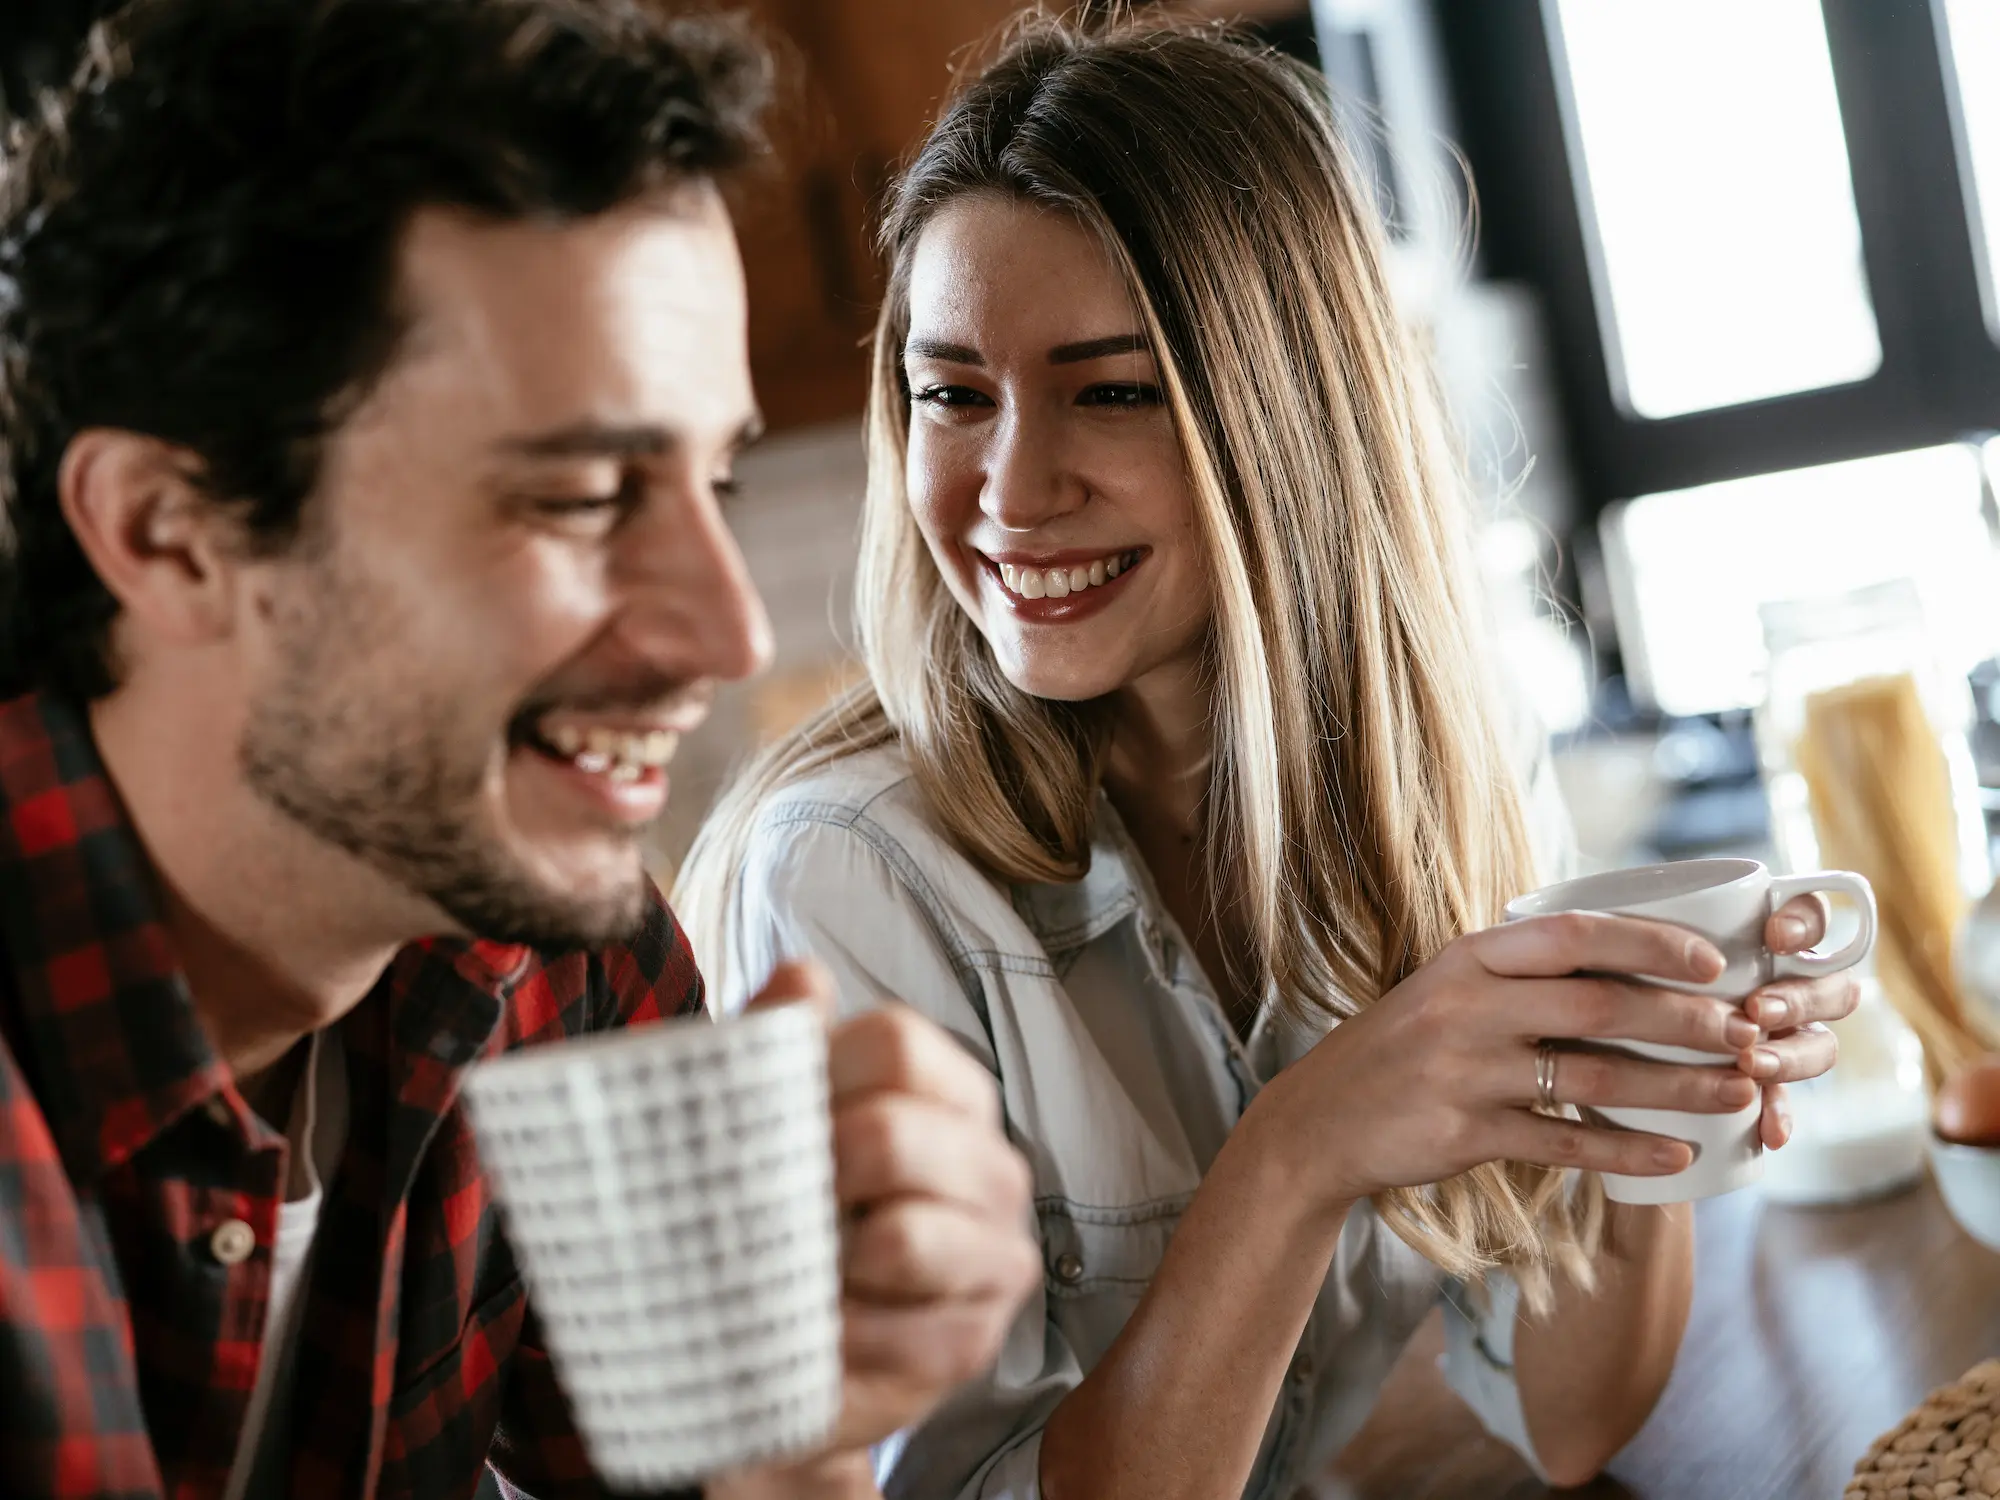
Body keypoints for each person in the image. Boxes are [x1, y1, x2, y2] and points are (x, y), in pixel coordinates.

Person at [677, 16, 1860, 1499]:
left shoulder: (1452, 758)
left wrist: (1647, 1098)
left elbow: (1567, 1417)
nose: (1009, 488)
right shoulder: (853, 872)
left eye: (1110, 390)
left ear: (1283, 419)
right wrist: (1301, 1151)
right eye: (952, 393)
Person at [0, 1, 1041, 1497]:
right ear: (173, 532)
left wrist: (801, 1439)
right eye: (579, 499)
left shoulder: (553, 961)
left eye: (713, 482)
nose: (727, 634)